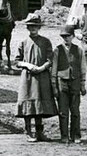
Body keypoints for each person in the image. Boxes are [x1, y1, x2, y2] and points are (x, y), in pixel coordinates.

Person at [15, 13, 58, 142]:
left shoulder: (46, 42)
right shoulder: (23, 43)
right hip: (28, 77)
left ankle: (40, 132)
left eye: (35, 26)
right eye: (30, 26)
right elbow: (17, 61)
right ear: (27, 28)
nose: (33, 28)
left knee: (39, 103)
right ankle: (28, 131)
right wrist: (27, 65)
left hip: (42, 76)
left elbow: (50, 59)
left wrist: (41, 68)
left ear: (39, 28)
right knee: (28, 101)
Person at [51, 24, 86, 143]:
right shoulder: (57, 50)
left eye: (68, 36)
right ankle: (64, 135)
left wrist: (82, 84)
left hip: (75, 82)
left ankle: (76, 135)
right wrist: (54, 86)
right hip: (62, 83)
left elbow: (82, 68)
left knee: (75, 110)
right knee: (63, 111)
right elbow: (54, 70)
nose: (66, 39)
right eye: (64, 36)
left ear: (73, 37)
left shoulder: (79, 50)